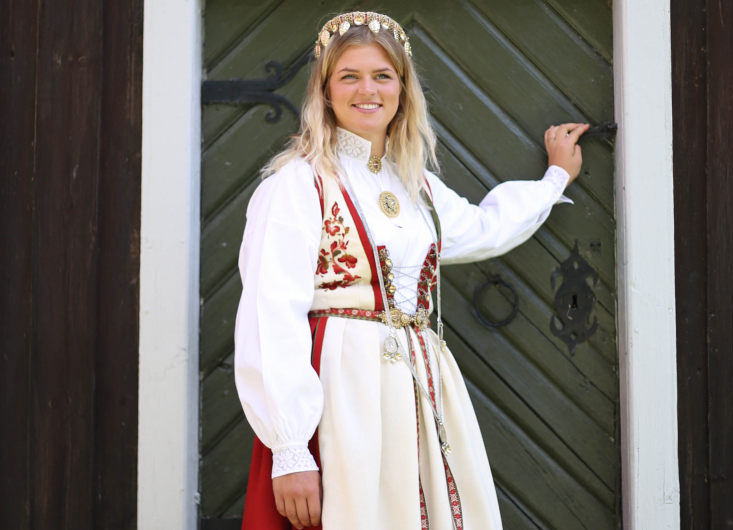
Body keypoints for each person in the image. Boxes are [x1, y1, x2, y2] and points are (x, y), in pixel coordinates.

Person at [233, 11, 588, 530]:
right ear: (325, 90)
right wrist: (290, 450)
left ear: (402, 88)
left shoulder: (415, 185)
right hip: (342, 389)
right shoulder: (297, 184)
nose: (367, 90)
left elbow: (483, 228)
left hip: (420, 387)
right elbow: (271, 315)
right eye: (349, 76)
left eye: (383, 75)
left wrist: (555, 178)